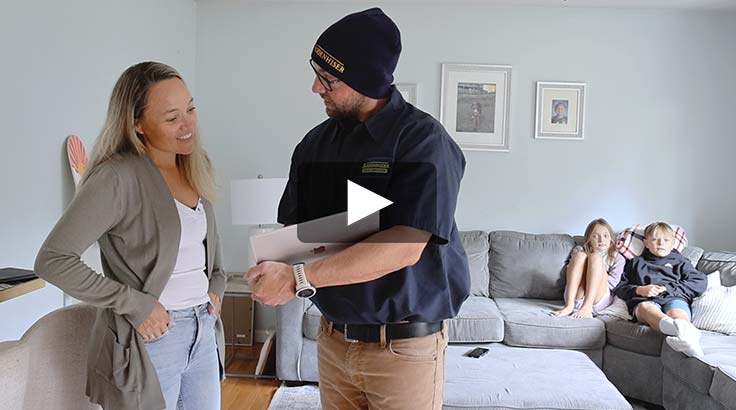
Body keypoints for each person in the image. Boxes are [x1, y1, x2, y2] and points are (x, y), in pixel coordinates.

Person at [245, 8, 469, 410]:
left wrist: (296, 278)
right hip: (333, 341)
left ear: (367, 79)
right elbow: (299, 233)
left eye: (328, 79)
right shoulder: (314, 145)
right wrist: (271, 266)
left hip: (403, 350)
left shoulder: (423, 142)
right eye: (316, 72)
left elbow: (404, 247)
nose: (316, 87)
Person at [34, 61, 226, 410]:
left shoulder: (196, 165)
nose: (188, 125)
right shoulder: (116, 178)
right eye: (172, 117)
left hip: (203, 328)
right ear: (137, 123)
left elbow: (205, 245)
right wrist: (136, 305)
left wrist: (217, 283)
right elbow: (54, 260)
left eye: (191, 109)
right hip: (151, 339)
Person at [613, 222, 707, 357]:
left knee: (676, 313)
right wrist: (639, 290)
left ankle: (686, 335)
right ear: (646, 243)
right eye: (654, 239)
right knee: (647, 308)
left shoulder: (681, 261)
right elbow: (620, 287)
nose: (661, 243)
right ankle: (687, 336)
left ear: (673, 243)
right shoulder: (636, 262)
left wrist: (668, 288)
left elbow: (699, 281)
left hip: (674, 297)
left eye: (666, 240)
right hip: (645, 300)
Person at [552, 218, 624, 318]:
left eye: (605, 236)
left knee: (595, 257)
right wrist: (586, 272)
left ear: (611, 239)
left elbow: (612, 283)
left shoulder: (617, 258)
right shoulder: (578, 250)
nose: (601, 240)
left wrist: (595, 274)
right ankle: (569, 306)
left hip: (598, 298)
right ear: (589, 239)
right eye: (595, 236)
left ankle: (587, 307)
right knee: (580, 255)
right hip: (576, 295)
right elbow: (570, 274)